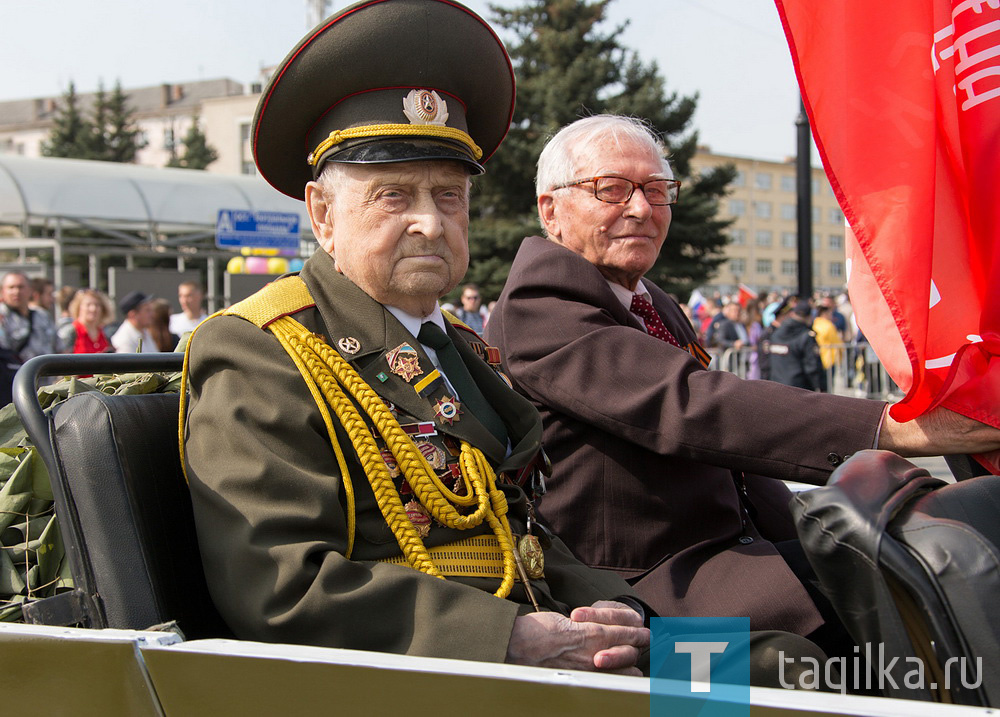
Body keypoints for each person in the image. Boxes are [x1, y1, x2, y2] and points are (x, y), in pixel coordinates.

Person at [182, 0, 657, 676]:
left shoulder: (456, 343)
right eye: (394, 196)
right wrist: (511, 638)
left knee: (775, 665)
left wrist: (625, 616)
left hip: (540, 648)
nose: (432, 224)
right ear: (322, 215)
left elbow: (516, 529)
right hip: (435, 673)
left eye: (450, 197)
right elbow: (281, 586)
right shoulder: (261, 349)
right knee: (743, 700)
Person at [485, 114, 1000, 661]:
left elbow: (734, 456)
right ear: (552, 211)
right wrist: (897, 426)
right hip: (649, 594)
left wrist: (814, 536)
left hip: (735, 558)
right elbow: (694, 406)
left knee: (923, 561)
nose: (640, 209)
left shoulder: (645, 299)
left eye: (657, 191)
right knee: (866, 645)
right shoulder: (538, 304)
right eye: (610, 190)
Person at [0, 271, 58, 404]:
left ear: (30, 290)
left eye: (21, 287)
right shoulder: (2, 317)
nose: (16, 292)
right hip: (13, 389)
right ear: (3, 291)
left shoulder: (42, 316)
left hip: (44, 388)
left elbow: (58, 346)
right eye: (11, 287)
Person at [767, 300, 826, 392]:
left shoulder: (776, 333)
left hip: (776, 388)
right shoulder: (806, 336)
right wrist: (821, 388)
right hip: (799, 390)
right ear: (809, 316)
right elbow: (813, 367)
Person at [57, 289, 114, 354]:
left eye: (97, 305)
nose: (93, 309)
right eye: (88, 305)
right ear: (79, 307)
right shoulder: (70, 332)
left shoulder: (105, 333)